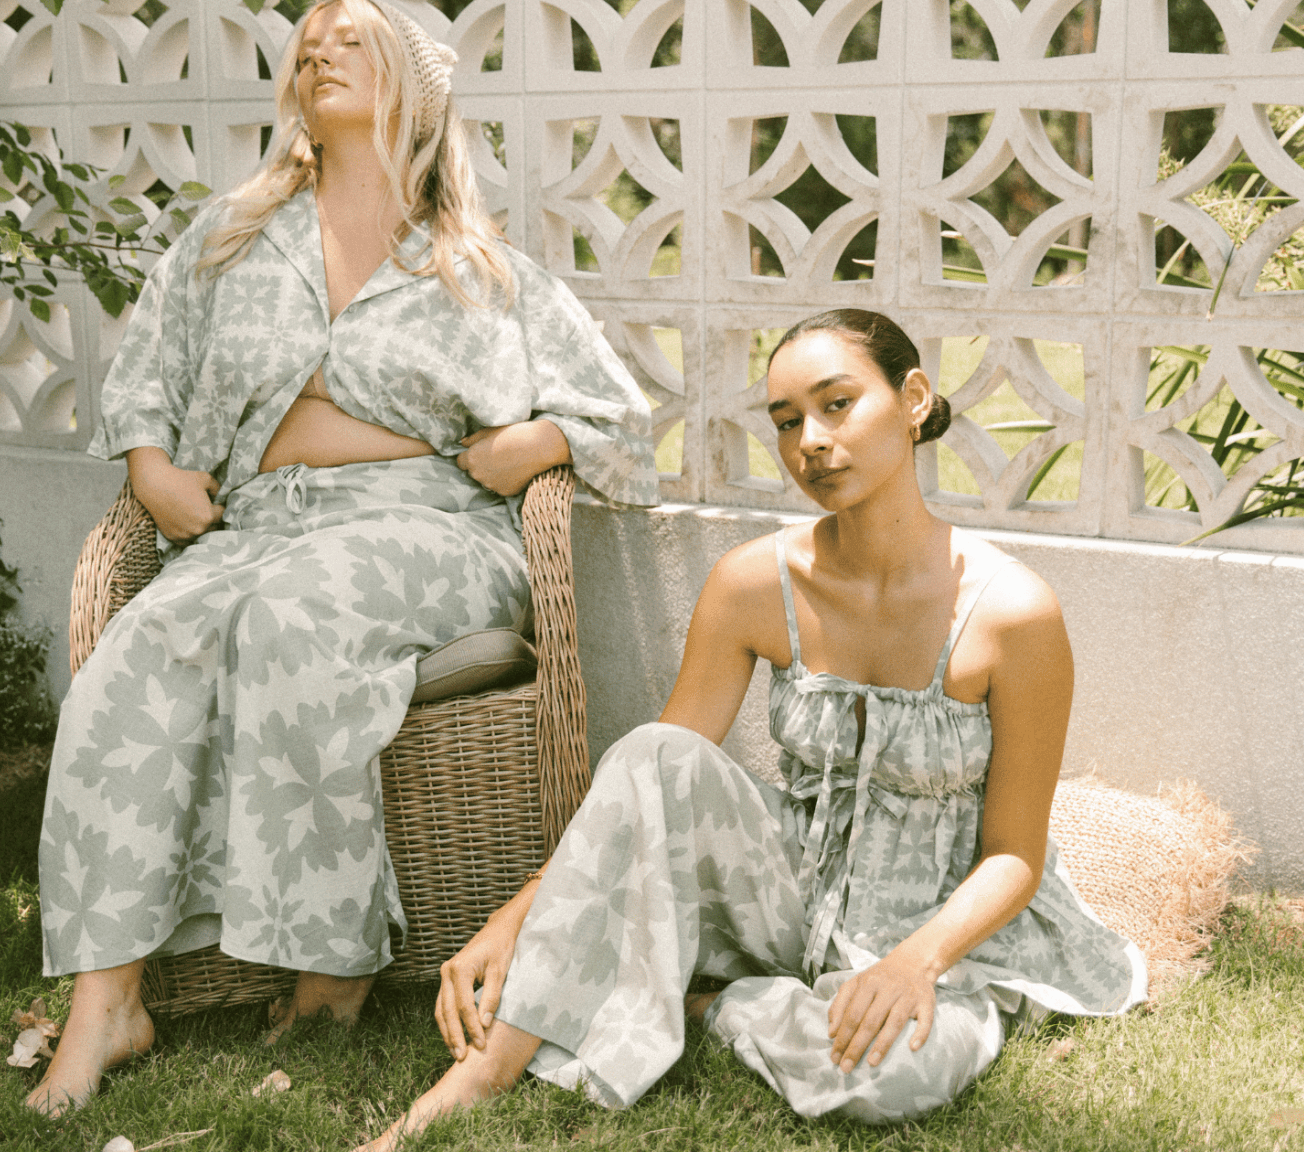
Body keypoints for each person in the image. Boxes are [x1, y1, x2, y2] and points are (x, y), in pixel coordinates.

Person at [25, 0, 657, 1116]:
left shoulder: (476, 266)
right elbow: (146, 373)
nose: (316, 49)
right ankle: (104, 1003)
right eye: (304, 44)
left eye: (347, 38)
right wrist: (147, 466)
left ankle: (330, 974)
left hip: (430, 525)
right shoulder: (226, 239)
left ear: (413, 85)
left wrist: (535, 441)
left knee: (300, 614)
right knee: (136, 651)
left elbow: (619, 419)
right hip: (260, 524)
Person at [364, 308, 1146, 1147]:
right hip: (792, 895)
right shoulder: (753, 582)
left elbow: (1014, 855)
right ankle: (486, 1069)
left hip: (940, 930)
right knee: (654, 747)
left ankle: (716, 1004)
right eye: (786, 422)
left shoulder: (1013, 613)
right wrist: (514, 918)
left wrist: (912, 964)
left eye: (837, 404)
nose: (810, 440)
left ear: (914, 398)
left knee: (888, 1079)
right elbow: (647, 786)